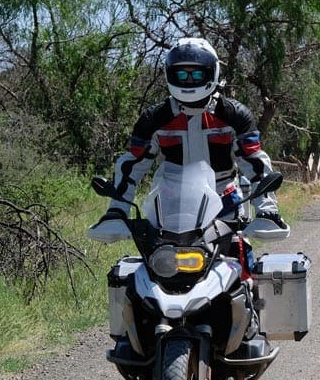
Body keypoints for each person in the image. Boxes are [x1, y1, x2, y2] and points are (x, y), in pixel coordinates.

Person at [87, 37, 289, 255]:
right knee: (146, 272)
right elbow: (131, 166)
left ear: (212, 72)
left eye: (197, 74)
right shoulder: (154, 119)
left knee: (240, 261)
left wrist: (267, 211)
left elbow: (256, 164)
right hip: (170, 210)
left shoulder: (234, 115)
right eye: (182, 74)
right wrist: (116, 211)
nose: (190, 80)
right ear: (170, 74)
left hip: (225, 204)